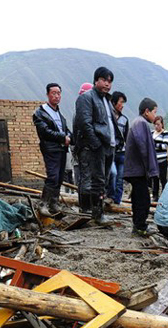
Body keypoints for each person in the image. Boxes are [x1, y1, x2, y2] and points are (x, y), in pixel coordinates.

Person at [75, 67, 118, 224]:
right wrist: (96, 144)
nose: (107, 84)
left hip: (109, 146)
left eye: (110, 81)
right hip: (97, 147)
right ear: (96, 80)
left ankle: (97, 212)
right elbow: (84, 123)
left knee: (104, 180)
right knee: (96, 180)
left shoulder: (106, 100)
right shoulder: (86, 98)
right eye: (104, 80)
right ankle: (96, 214)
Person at [32, 83, 71, 216]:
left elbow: (65, 130)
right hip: (50, 148)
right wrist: (62, 137)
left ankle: (54, 203)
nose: (56, 96)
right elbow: (44, 131)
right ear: (48, 94)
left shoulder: (58, 113)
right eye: (53, 93)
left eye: (59, 93)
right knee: (53, 176)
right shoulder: (41, 112)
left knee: (59, 177)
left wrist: (69, 137)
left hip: (61, 149)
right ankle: (43, 204)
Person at [123, 98, 160, 236]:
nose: (155, 116)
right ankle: (140, 227)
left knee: (139, 198)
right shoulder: (141, 123)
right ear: (146, 111)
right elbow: (144, 148)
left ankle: (138, 225)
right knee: (143, 200)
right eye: (154, 112)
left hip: (136, 169)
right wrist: (150, 169)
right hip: (137, 170)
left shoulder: (139, 122)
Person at [71, 82, 94, 194]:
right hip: (85, 148)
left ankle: (85, 205)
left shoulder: (79, 111)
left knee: (84, 178)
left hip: (83, 148)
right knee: (86, 178)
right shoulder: (83, 112)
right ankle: (86, 206)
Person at [106, 91, 129, 204]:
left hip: (122, 153)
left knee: (120, 179)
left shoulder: (125, 120)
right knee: (112, 174)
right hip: (111, 152)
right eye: (121, 102)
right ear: (114, 102)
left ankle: (117, 202)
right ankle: (109, 196)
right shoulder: (108, 117)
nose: (122, 105)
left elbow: (126, 137)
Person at [151, 116, 168, 201]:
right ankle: (155, 195)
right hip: (153, 160)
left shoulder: (165, 133)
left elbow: (164, 146)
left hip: (162, 160)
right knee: (155, 178)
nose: (156, 126)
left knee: (163, 178)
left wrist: (154, 145)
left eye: (158, 124)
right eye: (155, 124)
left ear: (162, 124)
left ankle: (165, 195)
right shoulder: (151, 133)